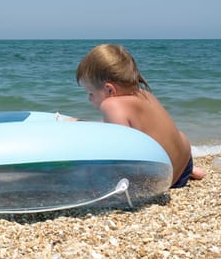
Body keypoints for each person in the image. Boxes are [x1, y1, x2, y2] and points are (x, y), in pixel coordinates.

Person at [75, 43, 205, 188]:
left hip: (162, 179)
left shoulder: (110, 105)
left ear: (109, 89)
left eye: (91, 93)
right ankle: (192, 171)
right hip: (183, 164)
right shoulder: (144, 94)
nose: (89, 99)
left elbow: (119, 154)